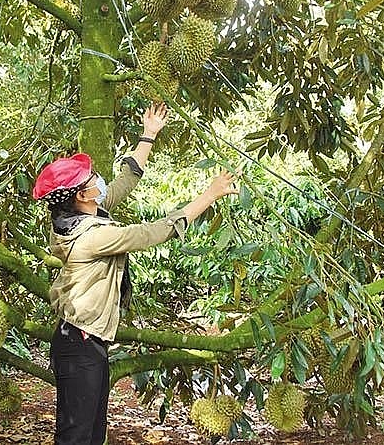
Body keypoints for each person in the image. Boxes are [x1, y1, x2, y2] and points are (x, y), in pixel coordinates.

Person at [32, 103, 238, 445]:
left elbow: (125, 180)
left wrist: (149, 134)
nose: (99, 180)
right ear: (81, 195)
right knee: (76, 436)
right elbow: (152, 233)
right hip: (78, 344)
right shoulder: (92, 237)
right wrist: (209, 194)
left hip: (87, 341)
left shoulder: (84, 212)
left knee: (92, 435)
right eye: (91, 179)